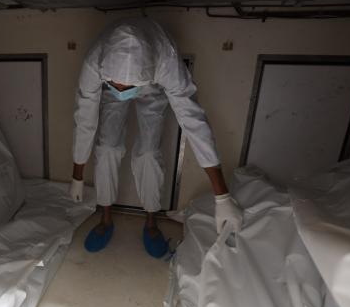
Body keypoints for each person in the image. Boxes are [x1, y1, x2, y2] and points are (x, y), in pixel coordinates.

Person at [69, 17, 242, 258]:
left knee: (148, 153)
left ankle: (151, 222)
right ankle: (105, 218)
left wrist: (222, 196)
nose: (123, 92)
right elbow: (85, 119)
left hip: (151, 86)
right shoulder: (95, 62)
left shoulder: (165, 60)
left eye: (127, 87)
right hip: (111, 83)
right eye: (117, 85)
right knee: (107, 147)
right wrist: (77, 176)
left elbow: (193, 120)